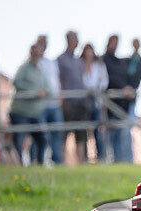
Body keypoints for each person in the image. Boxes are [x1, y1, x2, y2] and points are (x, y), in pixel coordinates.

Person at [10, 43, 50, 165]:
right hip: (21, 112)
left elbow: (48, 88)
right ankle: (19, 164)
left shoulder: (40, 71)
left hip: (36, 113)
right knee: (19, 139)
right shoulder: (23, 68)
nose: (37, 55)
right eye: (35, 52)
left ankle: (39, 161)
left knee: (42, 138)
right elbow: (16, 82)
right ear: (31, 53)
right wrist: (33, 92)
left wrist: (44, 92)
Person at [102, 34, 134, 162]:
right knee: (111, 137)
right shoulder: (104, 60)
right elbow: (108, 80)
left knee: (123, 136)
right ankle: (111, 160)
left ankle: (124, 161)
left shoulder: (120, 62)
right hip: (110, 106)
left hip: (122, 106)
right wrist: (122, 88)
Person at [57, 30, 87, 163]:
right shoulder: (60, 60)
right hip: (68, 103)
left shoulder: (79, 61)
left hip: (81, 103)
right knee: (64, 135)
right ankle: (62, 162)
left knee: (81, 136)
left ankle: (80, 162)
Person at [36, 35, 64, 164]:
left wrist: (60, 94)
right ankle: (38, 160)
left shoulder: (51, 62)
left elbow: (57, 79)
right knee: (40, 134)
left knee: (57, 133)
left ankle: (57, 160)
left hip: (54, 103)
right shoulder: (34, 62)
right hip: (40, 104)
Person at [81, 43, 109, 161]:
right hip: (84, 102)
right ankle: (85, 157)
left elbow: (104, 81)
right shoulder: (80, 65)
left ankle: (100, 156)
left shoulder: (99, 66)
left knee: (98, 129)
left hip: (97, 101)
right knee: (84, 130)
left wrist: (96, 90)